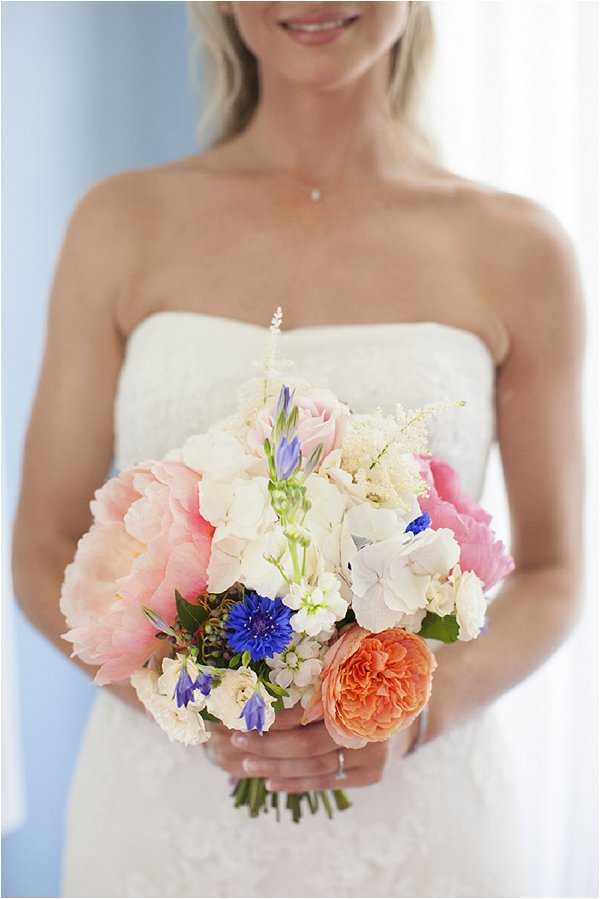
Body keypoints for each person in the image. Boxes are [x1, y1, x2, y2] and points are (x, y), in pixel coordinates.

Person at [12, 2, 585, 896]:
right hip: (161, 829)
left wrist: (416, 717)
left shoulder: (518, 248)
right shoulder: (119, 224)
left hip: (424, 830)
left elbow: (554, 572)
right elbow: (42, 547)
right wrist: (198, 709)